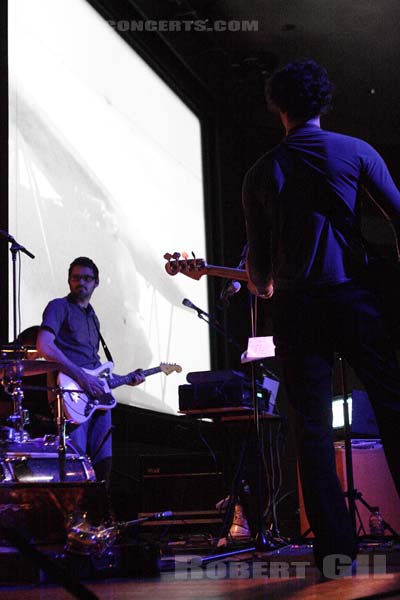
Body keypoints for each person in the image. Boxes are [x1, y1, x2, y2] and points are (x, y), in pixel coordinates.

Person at [242, 59, 400, 572]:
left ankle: (335, 550)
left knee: (310, 427)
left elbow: (261, 270)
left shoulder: (260, 171)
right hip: (354, 298)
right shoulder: (357, 151)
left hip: (296, 308)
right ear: (322, 103)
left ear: (278, 108)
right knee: (394, 408)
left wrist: (262, 278)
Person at [37, 256, 145, 485]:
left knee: (103, 465)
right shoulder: (59, 307)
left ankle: (98, 517)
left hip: (96, 397)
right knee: (77, 464)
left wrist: (126, 379)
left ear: (96, 283)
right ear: (69, 281)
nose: (81, 283)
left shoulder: (93, 318)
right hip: (71, 394)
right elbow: (44, 344)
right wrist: (82, 377)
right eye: (76, 278)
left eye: (87, 278)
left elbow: (96, 370)